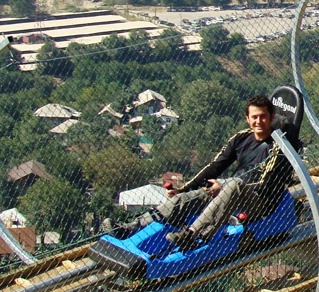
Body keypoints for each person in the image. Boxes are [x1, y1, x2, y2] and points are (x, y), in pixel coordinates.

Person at [111, 95, 300, 250]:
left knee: (234, 184)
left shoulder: (279, 144)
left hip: (259, 203)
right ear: (247, 119)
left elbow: (266, 184)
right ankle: (132, 228)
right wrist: (183, 190)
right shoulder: (241, 138)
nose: (258, 121)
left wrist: (224, 186)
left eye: (263, 116)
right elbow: (214, 166)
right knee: (180, 200)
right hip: (229, 193)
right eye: (254, 117)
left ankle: (192, 235)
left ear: (271, 117)